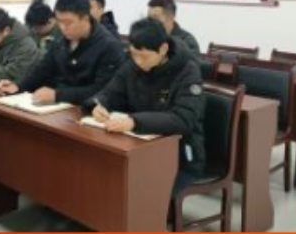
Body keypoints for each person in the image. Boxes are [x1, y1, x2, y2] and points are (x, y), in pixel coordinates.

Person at [84, 18, 205, 183]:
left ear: (163, 49)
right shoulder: (132, 65)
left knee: (134, 185)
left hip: (180, 157)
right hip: (138, 148)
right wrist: (97, 105)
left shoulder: (188, 71)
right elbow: (109, 92)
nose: (138, 62)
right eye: (134, 55)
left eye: (144, 56)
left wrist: (135, 121)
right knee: (100, 173)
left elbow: (183, 118)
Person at [0, 0, 126, 105]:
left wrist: (58, 95)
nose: (63, 28)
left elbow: (103, 91)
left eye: (68, 22)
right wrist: (18, 86)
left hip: (91, 111)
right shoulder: (61, 41)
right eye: (59, 21)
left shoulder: (109, 46)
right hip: (60, 108)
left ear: (85, 18)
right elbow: (42, 71)